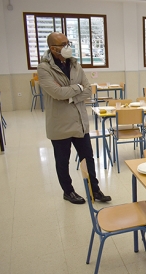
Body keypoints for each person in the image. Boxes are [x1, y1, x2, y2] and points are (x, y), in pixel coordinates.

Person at [37, 32, 111, 205]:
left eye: (67, 42)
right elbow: (56, 92)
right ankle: (68, 192)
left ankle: (95, 189)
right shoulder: (44, 68)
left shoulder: (75, 64)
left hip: (80, 122)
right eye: (62, 44)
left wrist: (70, 94)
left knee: (88, 157)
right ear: (52, 48)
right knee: (62, 161)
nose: (67, 46)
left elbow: (87, 89)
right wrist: (76, 89)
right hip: (60, 124)